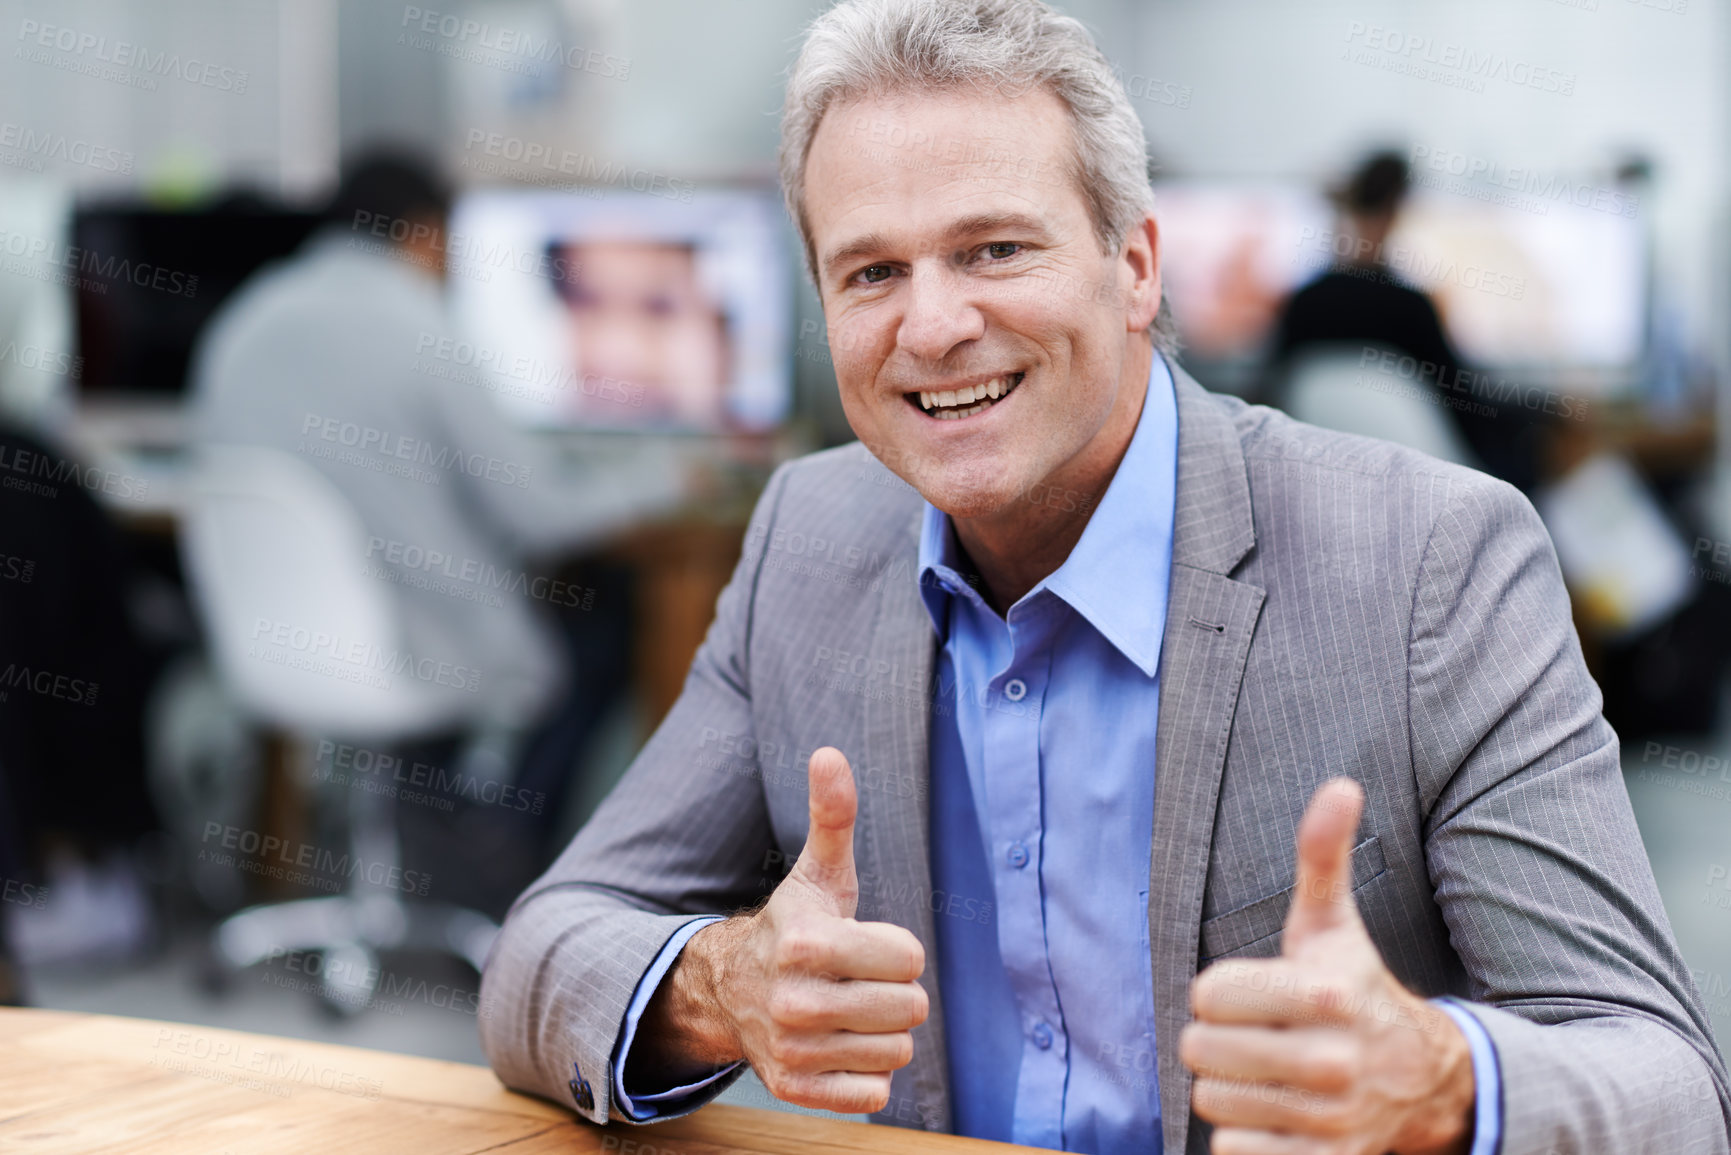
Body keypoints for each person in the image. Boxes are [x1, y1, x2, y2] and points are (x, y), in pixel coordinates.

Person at [479, 3, 1731, 1153]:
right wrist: (716, 986)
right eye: (871, 272)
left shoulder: (1429, 562)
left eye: (994, 249)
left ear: (1135, 267)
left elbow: (1669, 1083)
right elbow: (542, 952)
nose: (930, 327)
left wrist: (1442, 1077)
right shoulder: (809, 532)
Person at [190, 152, 690, 896]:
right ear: (426, 234)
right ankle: (505, 863)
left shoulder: (245, 319)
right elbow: (543, 514)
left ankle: (410, 857)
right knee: (603, 624)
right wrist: (667, 478)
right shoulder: (422, 327)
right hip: (403, 646)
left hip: (270, 651)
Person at [1266, 151, 1537, 490]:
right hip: (1433, 485)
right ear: (1395, 213)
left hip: (1323, 488)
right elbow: (1463, 401)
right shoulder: (1409, 306)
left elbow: (1274, 390)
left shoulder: (1302, 304)